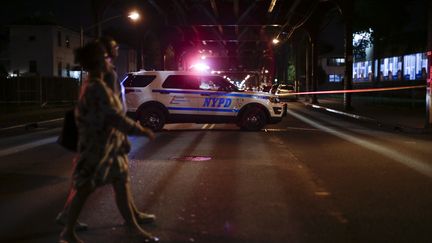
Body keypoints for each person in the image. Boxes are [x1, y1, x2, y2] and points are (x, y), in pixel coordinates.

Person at [59, 41, 159, 243]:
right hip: (97, 149)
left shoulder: (96, 85)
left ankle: (133, 228)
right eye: (105, 57)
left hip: (108, 148)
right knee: (85, 188)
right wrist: (141, 130)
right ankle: (67, 232)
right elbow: (114, 116)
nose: (109, 60)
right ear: (98, 62)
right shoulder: (96, 88)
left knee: (121, 183)